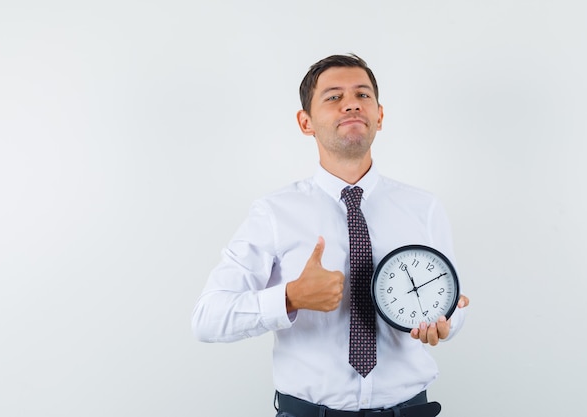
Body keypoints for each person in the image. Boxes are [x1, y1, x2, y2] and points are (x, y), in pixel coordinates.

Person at [192, 53, 469, 417]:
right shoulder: (274, 213)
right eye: (334, 96)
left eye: (363, 95)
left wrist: (446, 324)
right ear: (305, 122)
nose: (351, 103)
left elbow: (450, 302)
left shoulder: (424, 207)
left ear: (379, 116)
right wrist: (289, 297)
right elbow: (207, 318)